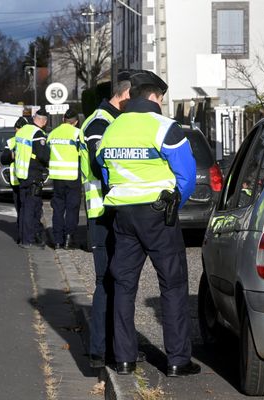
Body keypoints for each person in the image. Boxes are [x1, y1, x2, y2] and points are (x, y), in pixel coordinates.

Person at [96, 70, 200, 377]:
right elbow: (188, 177)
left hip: (123, 216)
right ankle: (178, 360)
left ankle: (124, 359)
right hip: (158, 215)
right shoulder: (166, 128)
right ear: (155, 97)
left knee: (124, 285)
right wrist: (171, 205)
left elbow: (104, 170)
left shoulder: (111, 129)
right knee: (173, 284)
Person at [80, 72, 132, 369]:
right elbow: (101, 167)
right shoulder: (100, 121)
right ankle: (100, 352)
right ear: (124, 95)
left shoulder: (113, 120)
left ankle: (112, 348)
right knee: (106, 282)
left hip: (112, 210)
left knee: (116, 280)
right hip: (102, 213)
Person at [9, 109, 50, 249]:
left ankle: (22, 238)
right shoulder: (38, 134)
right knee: (31, 209)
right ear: (44, 121)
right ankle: (28, 240)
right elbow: (43, 156)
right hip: (33, 175)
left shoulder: (23, 131)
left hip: (21, 175)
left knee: (23, 207)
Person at [47, 109, 82, 249]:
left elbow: (47, 152)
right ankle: (69, 239)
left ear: (63, 119)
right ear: (76, 122)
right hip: (72, 176)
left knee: (58, 209)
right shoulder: (77, 134)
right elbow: (82, 153)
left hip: (56, 176)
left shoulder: (53, 133)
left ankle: (57, 240)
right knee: (72, 209)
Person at [0, 116, 27, 244]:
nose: (17, 132)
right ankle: (22, 235)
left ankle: (25, 234)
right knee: (21, 208)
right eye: (16, 130)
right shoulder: (11, 141)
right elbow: (4, 159)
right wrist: (12, 154)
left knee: (26, 209)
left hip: (26, 179)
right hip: (16, 180)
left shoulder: (30, 138)